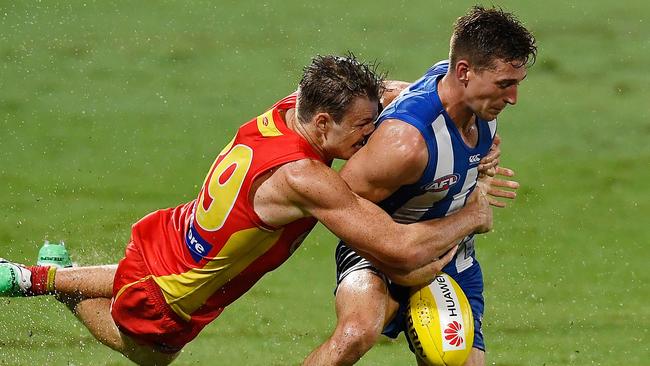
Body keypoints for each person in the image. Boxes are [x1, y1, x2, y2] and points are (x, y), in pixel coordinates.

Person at [0, 54, 494, 366]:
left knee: (134, 274)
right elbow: (398, 249)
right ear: (324, 122)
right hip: (179, 289)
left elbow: (385, 91)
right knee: (150, 357)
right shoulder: (305, 178)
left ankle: (31, 277)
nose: (372, 135)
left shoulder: (291, 108)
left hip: (180, 229)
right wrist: (471, 215)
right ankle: (55, 286)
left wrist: (433, 102)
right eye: (363, 127)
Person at [303, 6, 537, 366]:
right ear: (464, 72)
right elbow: (337, 203)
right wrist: (397, 257)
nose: (513, 98)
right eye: (505, 84)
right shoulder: (405, 143)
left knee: (457, 362)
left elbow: (410, 91)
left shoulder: (476, 103)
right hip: (377, 256)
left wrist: (483, 161)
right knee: (357, 333)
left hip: (450, 258)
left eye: (517, 83)